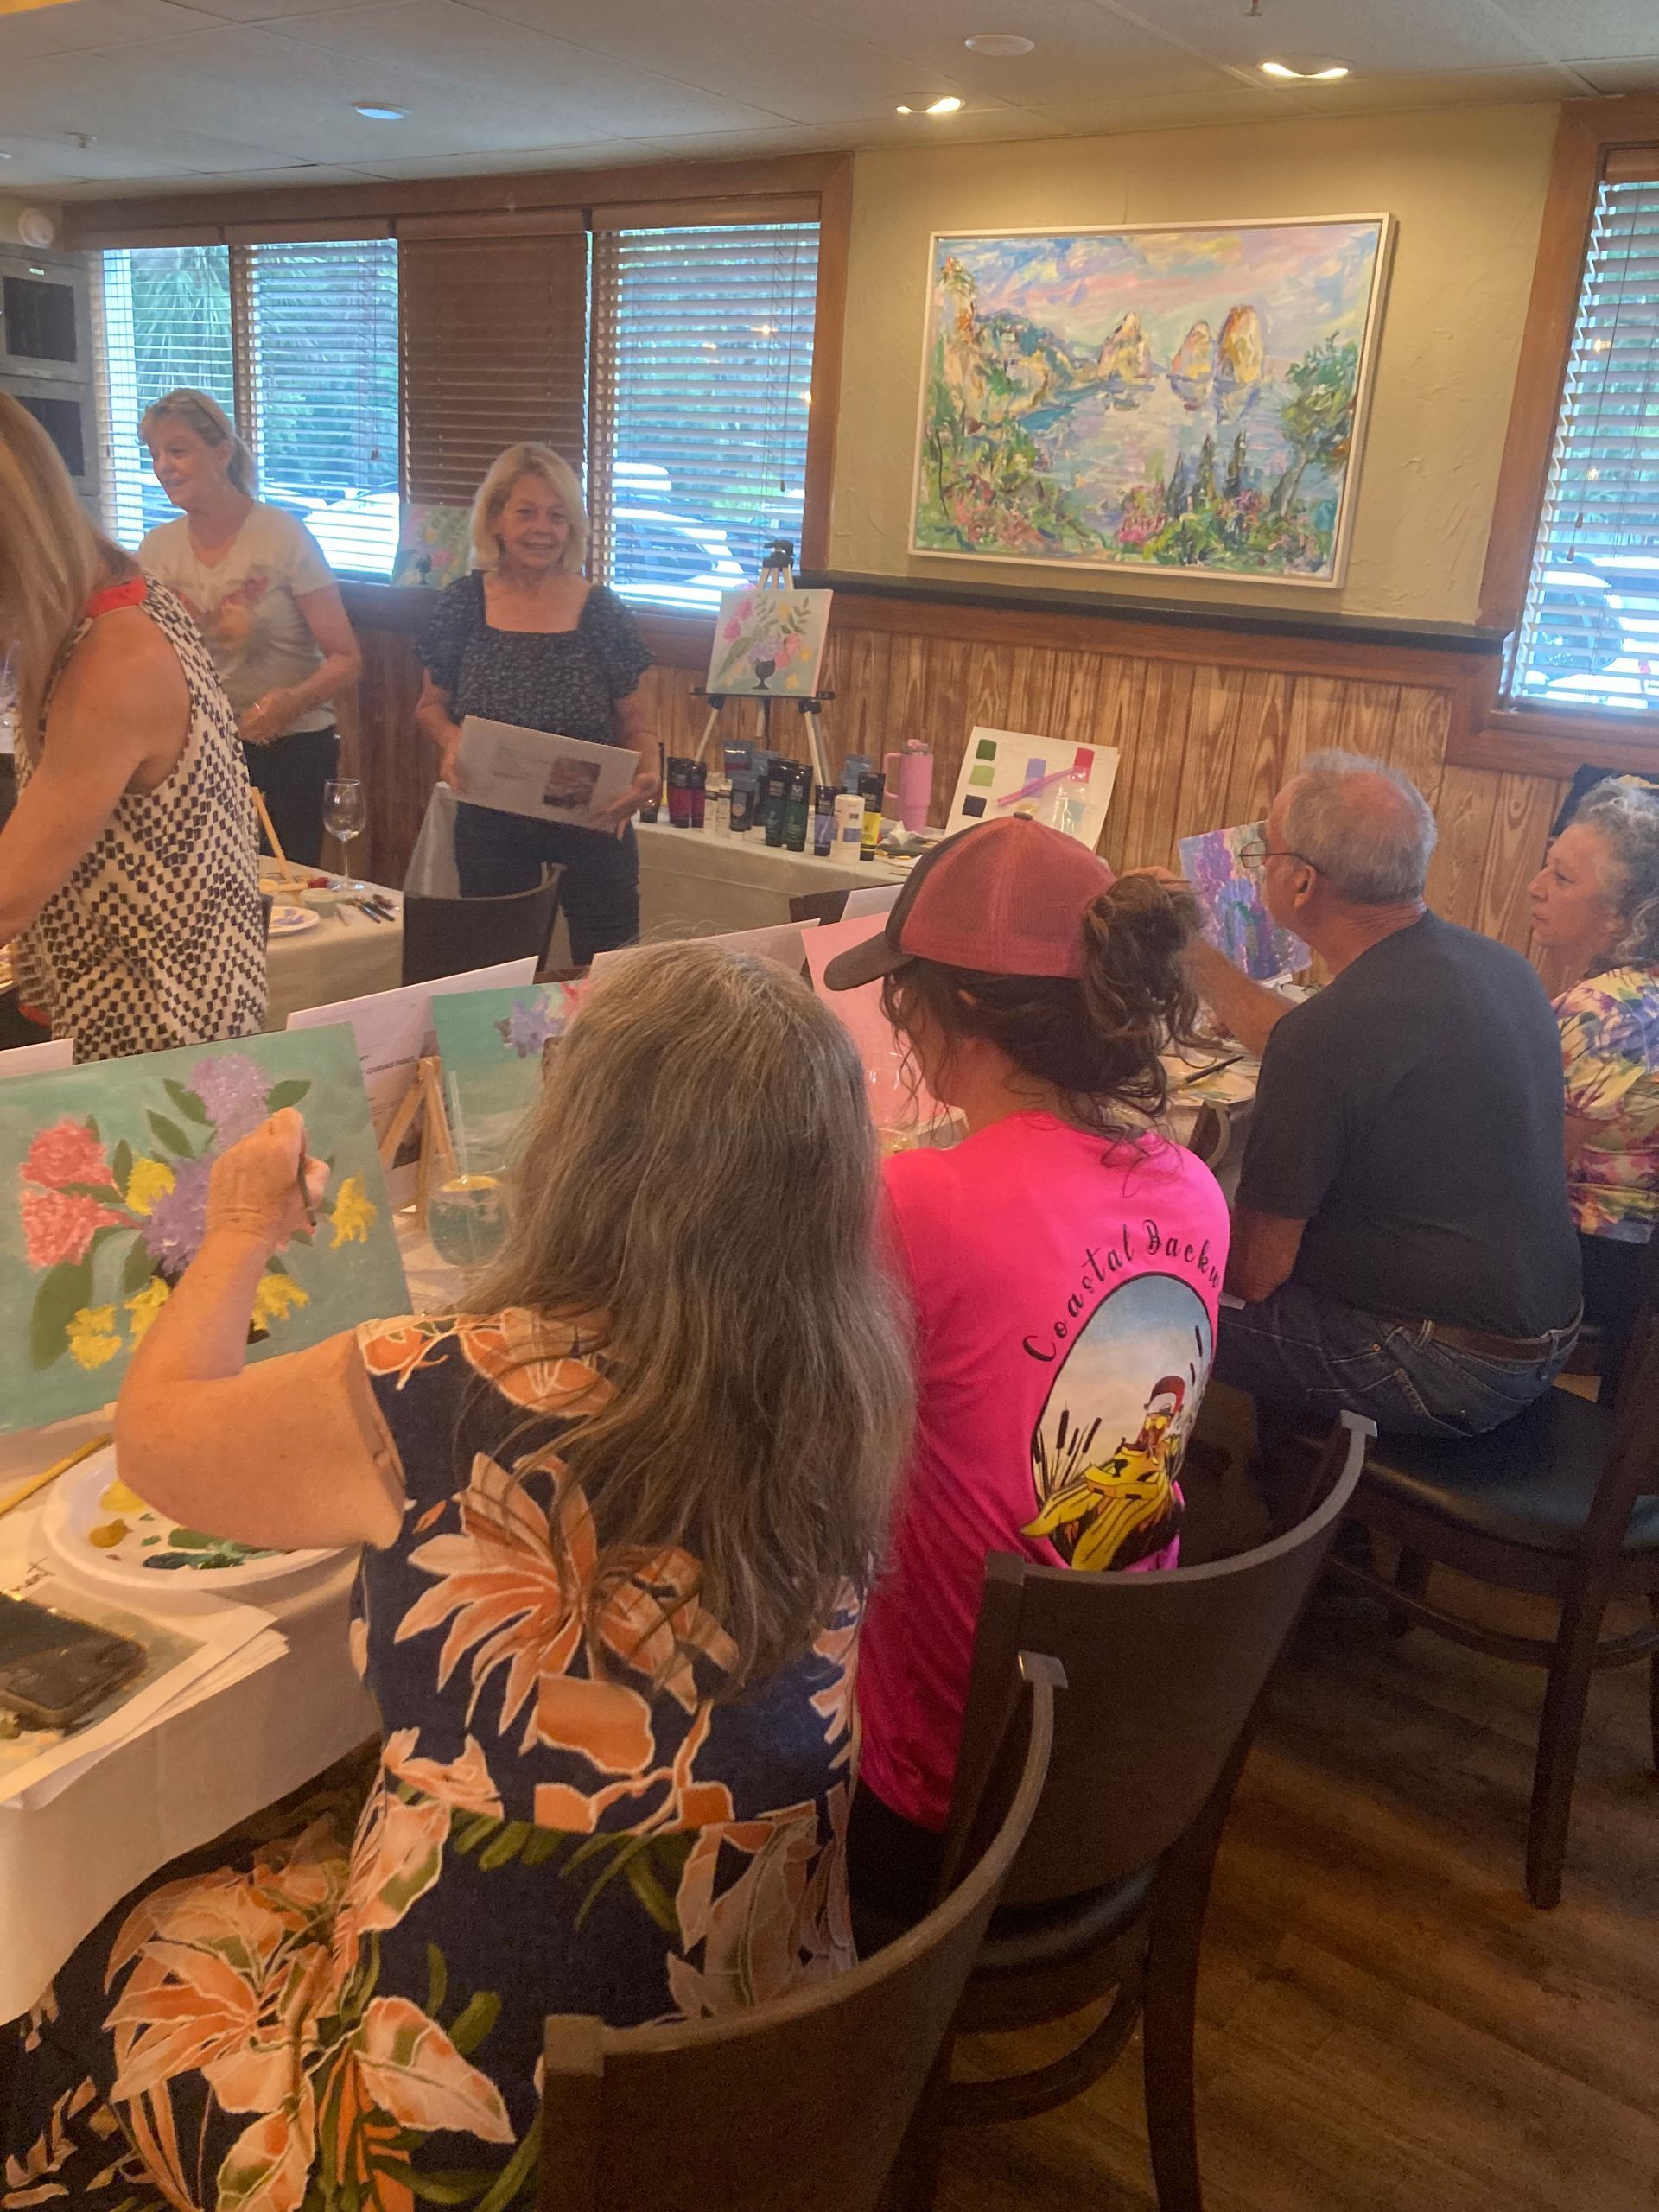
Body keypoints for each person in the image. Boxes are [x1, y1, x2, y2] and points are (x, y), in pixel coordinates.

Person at [0, 941, 911, 2209]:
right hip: (761, 2042)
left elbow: (157, 1440)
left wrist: (247, 1225)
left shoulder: (442, 1385)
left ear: (581, 1152)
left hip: (464, 2130)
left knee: (115, 1943)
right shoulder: (845, 1378)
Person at [823, 816, 1230, 1924]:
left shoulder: (923, 1202)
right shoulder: (1193, 1183)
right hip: (1113, 1735)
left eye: (902, 996)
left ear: (956, 1013)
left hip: (941, 1784)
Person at [1190, 750, 1581, 1440]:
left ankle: (1263, 1517)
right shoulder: (1500, 966)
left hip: (1442, 1365)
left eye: (1263, 850)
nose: (1258, 864)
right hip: (1549, 1332)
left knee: (1147, 1297)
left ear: (1302, 882)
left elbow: (1254, 1274)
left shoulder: (1326, 1034)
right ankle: (1280, 1482)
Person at [0, 392, 264, 1061]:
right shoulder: (102, 597)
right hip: (114, 1009)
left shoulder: (116, 659)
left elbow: (9, 896)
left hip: (157, 1035)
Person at [414, 444, 660, 965]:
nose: (542, 528)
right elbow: (430, 706)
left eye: (557, 515)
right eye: (526, 512)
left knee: (610, 973)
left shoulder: (602, 611)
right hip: (491, 816)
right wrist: (451, 738)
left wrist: (648, 774)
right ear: (496, 519)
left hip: (593, 818)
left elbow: (638, 726)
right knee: (498, 974)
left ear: (572, 528)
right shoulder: (462, 603)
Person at [139, 388, 363, 868]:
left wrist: (292, 703)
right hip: (193, 754)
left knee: (281, 898)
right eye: (154, 453)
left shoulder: (283, 534)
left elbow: (347, 659)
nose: (163, 466)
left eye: (177, 451)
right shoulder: (155, 549)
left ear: (222, 453)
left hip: (289, 751)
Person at [1529, 779, 1659, 1398]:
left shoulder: (1601, 1011)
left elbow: (1531, 1167)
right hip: (1638, 1259)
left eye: (1562, 877)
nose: (1536, 887)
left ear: (1618, 916)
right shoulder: (1642, 994)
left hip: (1599, 1261)